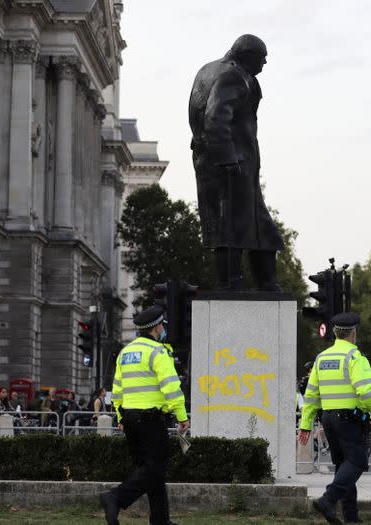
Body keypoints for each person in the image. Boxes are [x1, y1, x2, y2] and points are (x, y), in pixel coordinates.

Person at [189, 34, 285, 291]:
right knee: (232, 225)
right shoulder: (234, 75)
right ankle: (234, 283)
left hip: (208, 161)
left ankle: (263, 281)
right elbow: (215, 117)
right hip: (231, 164)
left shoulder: (208, 69)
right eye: (262, 59)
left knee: (245, 224)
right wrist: (228, 159)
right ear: (248, 55)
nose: (264, 65)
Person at [298, 312, 371, 525]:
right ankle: (327, 500)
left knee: (343, 467)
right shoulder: (355, 357)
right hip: (349, 420)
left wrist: (305, 426)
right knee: (357, 462)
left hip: (329, 420)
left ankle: (351, 517)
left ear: (335, 333)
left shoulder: (321, 359)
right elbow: (366, 393)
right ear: (353, 333)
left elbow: (311, 396)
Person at [99, 305, 190, 525]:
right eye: (163, 325)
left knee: (151, 471)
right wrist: (182, 417)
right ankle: (115, 497)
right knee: (155, 468)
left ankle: (160, 521)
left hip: (130, 420)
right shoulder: (158, 352)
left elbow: (117, 390)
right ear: (157, 327)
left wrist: (120, 419)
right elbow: (171, 387)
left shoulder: (125, 352)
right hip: (150, 420)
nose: (164, 329)